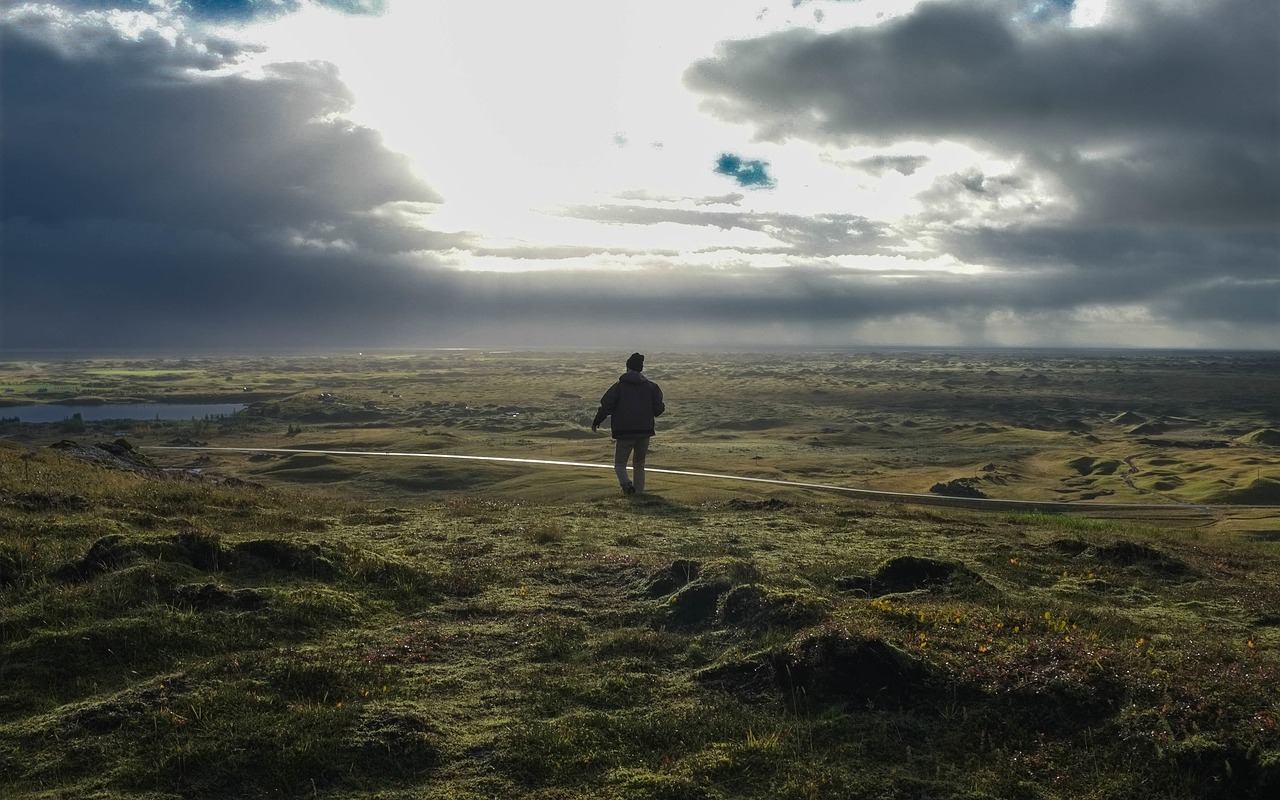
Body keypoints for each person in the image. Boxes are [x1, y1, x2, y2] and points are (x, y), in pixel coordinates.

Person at [592, 352, 665, 495]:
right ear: (641, 369)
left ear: (627, 368)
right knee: (639, 464)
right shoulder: (652, 387)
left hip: (624, 432)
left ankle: (626, 486)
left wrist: (597, 421)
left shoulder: (619, 387)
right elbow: (658, 409)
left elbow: (606, 406)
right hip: (645, 431)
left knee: (619, 464)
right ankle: (639, 493)